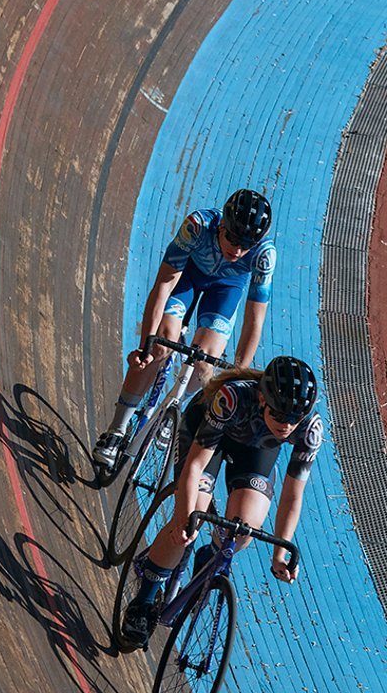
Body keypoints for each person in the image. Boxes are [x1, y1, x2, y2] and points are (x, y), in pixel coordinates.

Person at [119, 355, 322, 651]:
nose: (287, 426)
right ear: (263, 399)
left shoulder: (310, 428)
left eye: (295, 419)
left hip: (254, 453)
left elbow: (293, 494)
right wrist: (182, 517)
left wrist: (281, 550)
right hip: (207, 438)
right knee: (192, 520)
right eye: (280, 416)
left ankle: (211, 555)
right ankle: (144, 600)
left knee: (244, 533)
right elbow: (194, 468)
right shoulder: (232, 397)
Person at [93, 189, 275, 469]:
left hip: (225, 290)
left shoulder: (263, 255)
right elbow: (164, 285)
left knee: (206, 367)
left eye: (246, 245)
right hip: (187, 279)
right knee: (160, 346)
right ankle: (117, 429)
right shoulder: (198, 226)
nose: (237, 251)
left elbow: (254, 320)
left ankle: (174, 405)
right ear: (223, 225)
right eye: (233, 240)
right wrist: (145, 345)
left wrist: (239, 376)